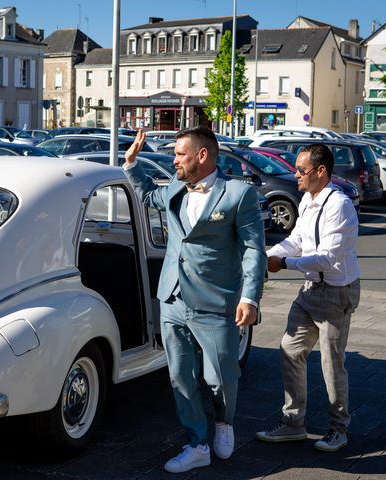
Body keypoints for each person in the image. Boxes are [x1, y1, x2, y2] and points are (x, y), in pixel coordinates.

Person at [123, 127, 266, 473]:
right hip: (172, 297)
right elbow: (149, 198)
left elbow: (253, 249)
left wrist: (250, 297)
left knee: (220, 375)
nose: (173, 161)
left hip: (216, 301)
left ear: (202, 156)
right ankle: (196, 442)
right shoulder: (175, 185)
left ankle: (224, 423)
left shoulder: (238, 194)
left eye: (179, 154)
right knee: (180, 376)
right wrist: (131, 164)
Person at [255, 144, 360, 452]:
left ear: (321, 171)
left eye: (301, 170)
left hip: (336, 291)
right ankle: (293, 424)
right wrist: (268, 255)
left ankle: (338, 429)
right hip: (311, 289)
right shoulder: (308, 199)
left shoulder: (338, 205)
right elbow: (297, 240)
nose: (295, 175)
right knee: (289, 349)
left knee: (331, 363)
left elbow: (326, 259)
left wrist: (284, 264)